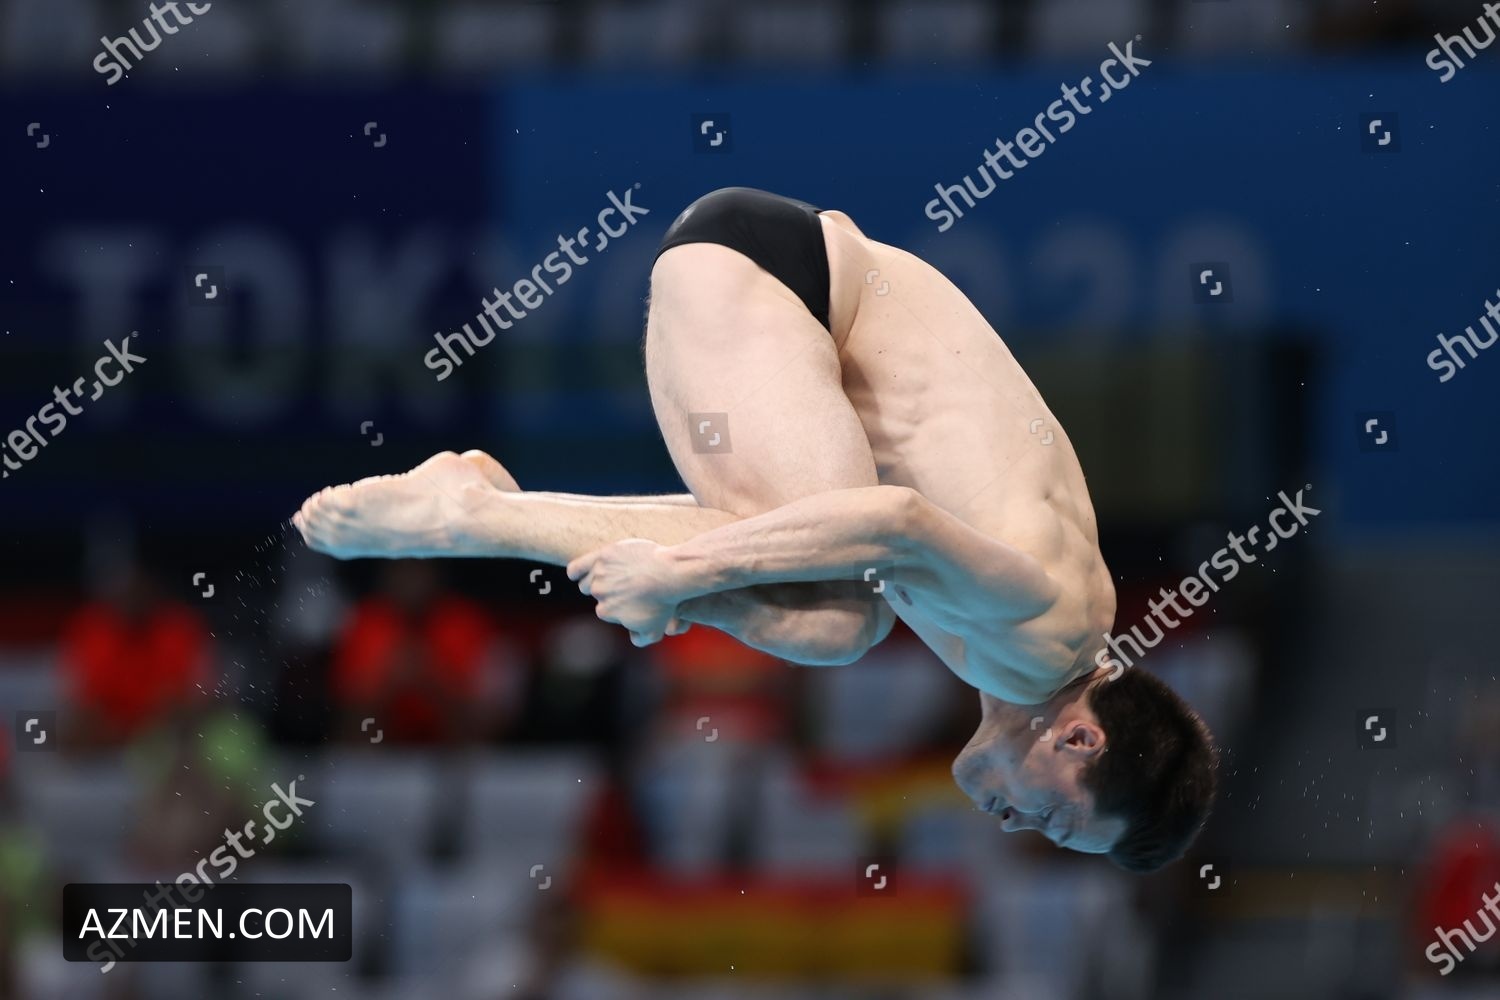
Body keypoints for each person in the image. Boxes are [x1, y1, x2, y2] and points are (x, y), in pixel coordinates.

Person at [293, 187, 1216, 871]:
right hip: (763, 285)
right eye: (1054, 820)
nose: (1018, 828)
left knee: (830, 597)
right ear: (1080, 741)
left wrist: (687, 576)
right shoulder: (1041, 645)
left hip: (766, 276)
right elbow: (895, 519)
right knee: (837, 621)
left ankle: (480, 508)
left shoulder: (1051, 637)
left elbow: (844, 527)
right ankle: (470, 516)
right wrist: (679, 577)